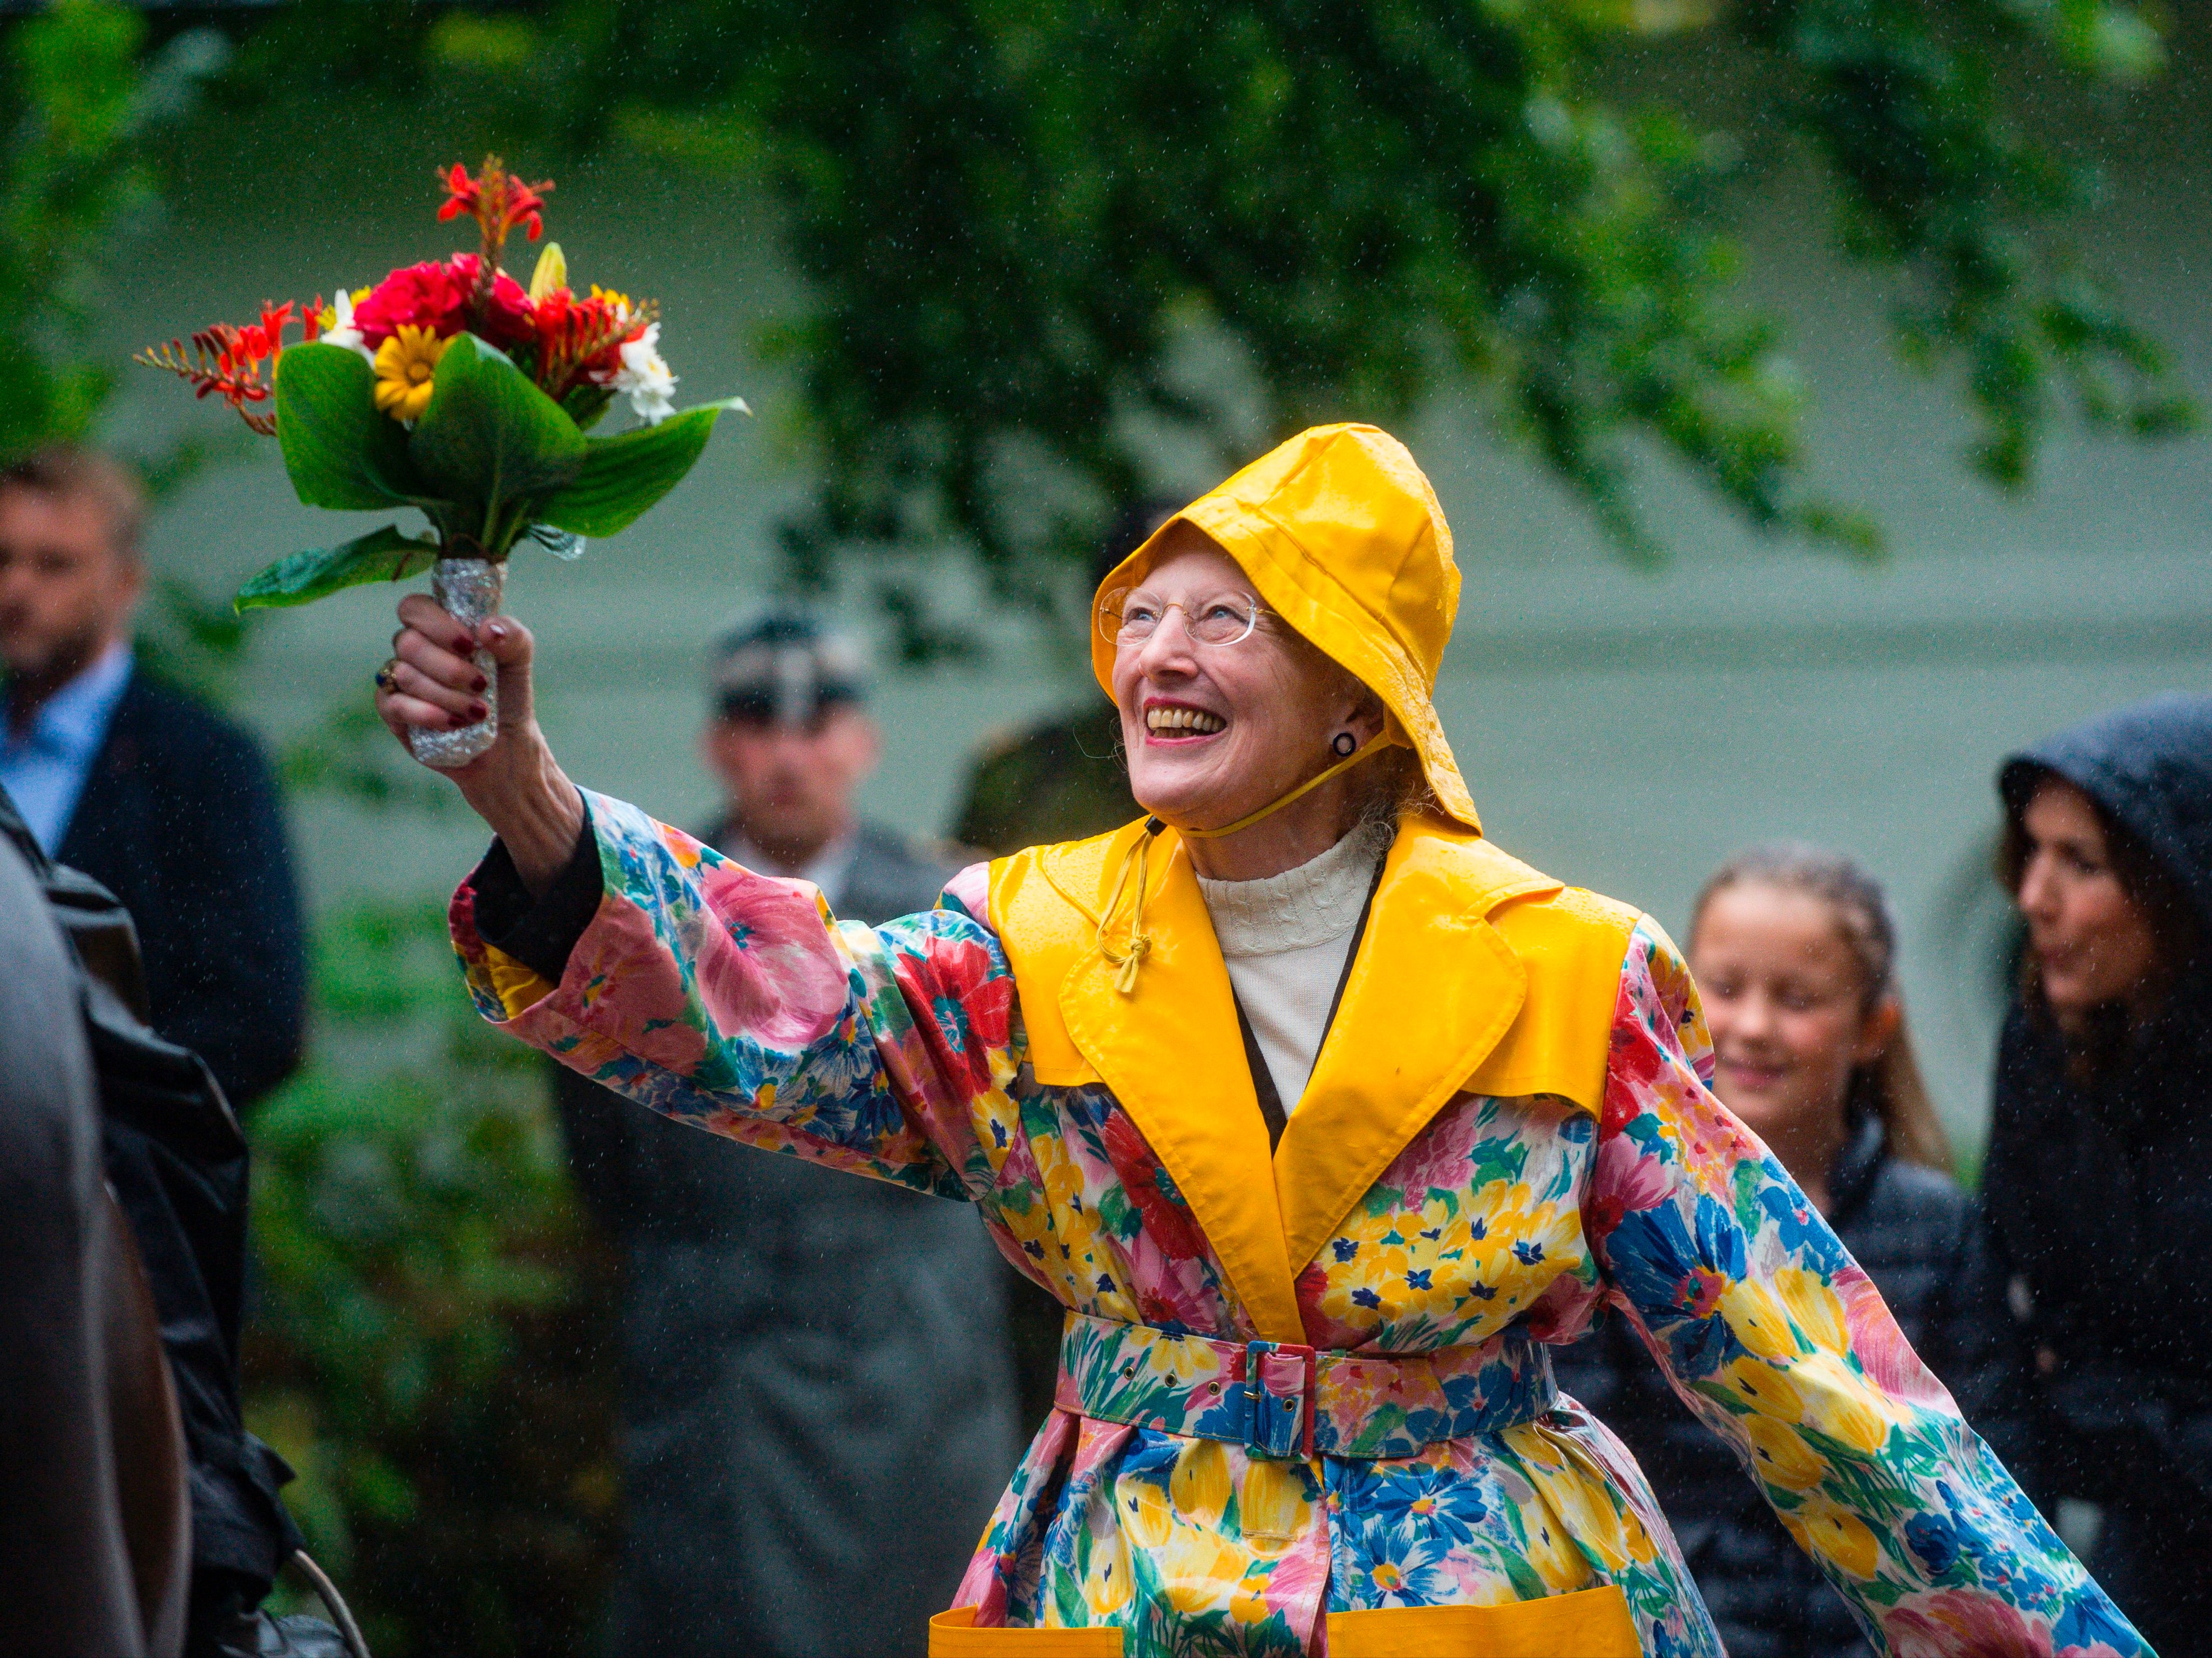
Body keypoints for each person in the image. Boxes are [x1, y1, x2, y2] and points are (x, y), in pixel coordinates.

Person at [379, 424, 2142, 1656]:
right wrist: (518, 787)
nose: (1156, 653)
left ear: (1355, 687)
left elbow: (1810, 1369)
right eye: (1140, 612)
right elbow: (772, 1007)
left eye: (1223, 616)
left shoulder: (1561, 974)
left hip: (1476, 1592)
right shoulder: (1024, 940)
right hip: (1121, 1584)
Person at [549, 604, 1021, 1658]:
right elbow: (599, 1137)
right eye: (761, 727)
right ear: (722, 745)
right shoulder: (648, 911)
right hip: (722, 1349)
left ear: (863, 743)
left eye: (819, 727)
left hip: (913, 1352)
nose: (790, 756)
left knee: (926, 1622)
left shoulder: (948, 914)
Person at [1553, 845, 2032, 1658]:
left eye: (1797, 998)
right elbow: (1586, 1456)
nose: (1751, 1026)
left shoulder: (1938, 1227)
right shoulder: (1613, 1211)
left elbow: (1991, 1470)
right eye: (1726, 989)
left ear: (1873, 1027)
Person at [1981, 692, 2212, 1658]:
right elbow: (2022, 1341)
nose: (2034, 897)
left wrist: (2101, 1409)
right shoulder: (2047, 1043)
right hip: (2149, 1550)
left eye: (2080, 863)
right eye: (2031, 853)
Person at [0, 446, 304, 1110]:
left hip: (116, 1188)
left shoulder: (202, 764)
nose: (17, 589)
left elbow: (258, 1021)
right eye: (3, 560)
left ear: (125, 584)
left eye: (54, 565)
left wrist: (64, 1105)